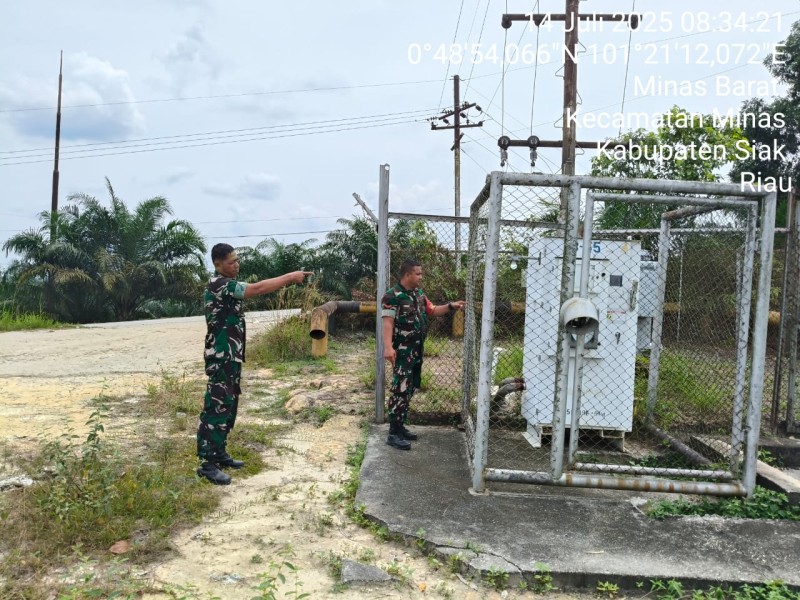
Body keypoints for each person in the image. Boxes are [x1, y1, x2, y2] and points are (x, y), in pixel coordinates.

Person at [196, 242, 313, 485]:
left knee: (228, 404)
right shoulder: (219, 285)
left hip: (231, 355)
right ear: (218, 264)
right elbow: (258, 288)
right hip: (221, 356)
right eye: (231, 262)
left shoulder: (227, 284)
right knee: (216, 406)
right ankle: (207, 463)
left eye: (237, 260)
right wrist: (290, 277)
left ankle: (219, 452)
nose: (236, 265)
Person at [381, 259, 465, 450]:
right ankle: (393, 433)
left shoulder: (418, 294)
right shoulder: (392, 296)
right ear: (407, 275)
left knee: (410, 388)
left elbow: (432, 310)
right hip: (402, 351)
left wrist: (451, 306)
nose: (421, 277)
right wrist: (388, 347)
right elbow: (387, 323)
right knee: (400, 389)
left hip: (416, 350)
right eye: (418, 274)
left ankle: (400, 426)